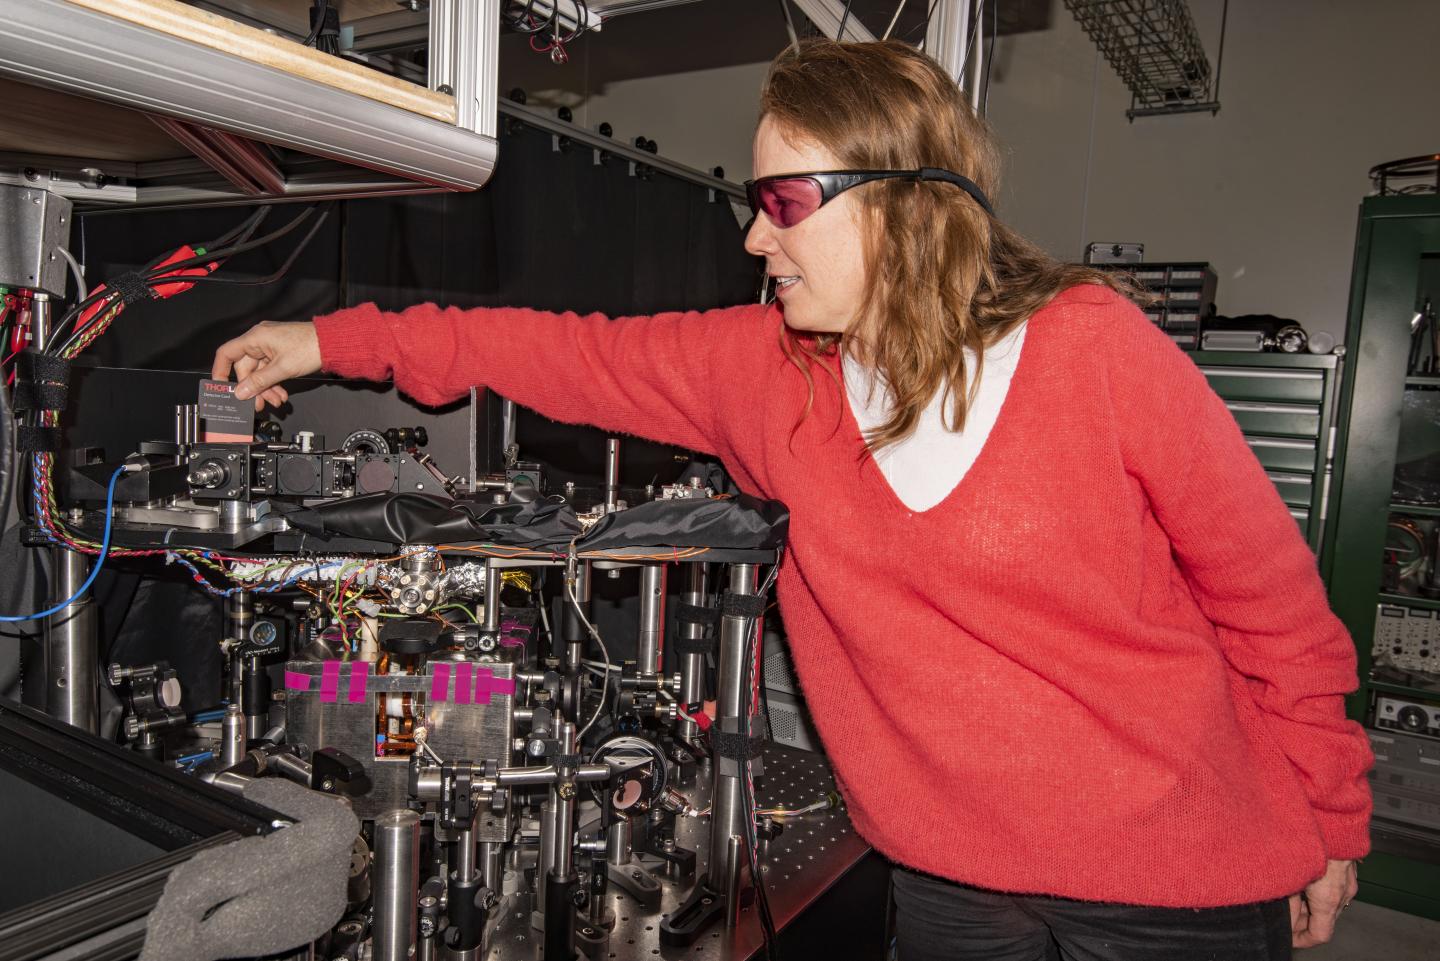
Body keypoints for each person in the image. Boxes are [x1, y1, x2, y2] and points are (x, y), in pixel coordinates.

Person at [213, 39, 1371, 961]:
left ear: (905, 200)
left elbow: (1273, 604)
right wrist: (328, 338)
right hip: (951, 879)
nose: (752, 232)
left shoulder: (1093, 351)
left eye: (783, 198)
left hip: (1173, 874)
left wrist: (1330, 821)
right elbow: (556, 350)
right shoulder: (767, 372)